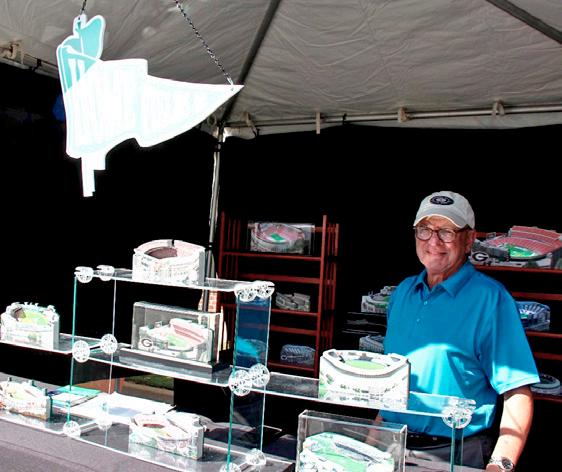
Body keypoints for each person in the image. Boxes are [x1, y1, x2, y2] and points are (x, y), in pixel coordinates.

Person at [379, 191, 539, 471]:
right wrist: (373, 440)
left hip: (455, 454)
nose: (433, 241)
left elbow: (517, 392)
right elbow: (392, 385)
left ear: (469, 240)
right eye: (425, 230)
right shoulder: (403, 293)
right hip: (391, 445)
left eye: (447, 232)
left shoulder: (491, 299)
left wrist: (500, 465)